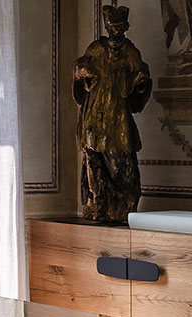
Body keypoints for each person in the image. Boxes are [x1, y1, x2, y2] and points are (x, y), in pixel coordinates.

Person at [73, 5, 152, 223]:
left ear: (126, 27)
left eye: (119, 27)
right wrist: (81, 72)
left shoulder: (130, 51)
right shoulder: (95, 49)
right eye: (111, 27)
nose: (114, 31)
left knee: (125, 167)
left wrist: (140, 80)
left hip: (119, 116)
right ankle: (99, 206)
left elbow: (141, 77)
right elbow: (79, 73)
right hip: (96, 116)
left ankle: (125, 207)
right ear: (107, 27)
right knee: (94, 164)